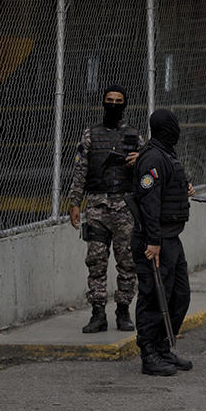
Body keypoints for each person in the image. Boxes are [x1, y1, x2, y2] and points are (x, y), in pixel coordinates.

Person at [68, 85, 143, 333]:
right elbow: (80, 171)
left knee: (127, 262)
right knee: (96, 262)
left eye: (118, 100)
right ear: (103, 102)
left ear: (124, 104)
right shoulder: (90, 135)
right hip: (97, 208)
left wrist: (138, 161)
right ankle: (98, 313)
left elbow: (148, 171)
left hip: (124, 208)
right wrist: (75, 203)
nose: (113, 104)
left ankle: (123, 311)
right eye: (109, 100)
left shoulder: (134, 136)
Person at [130, 108, 195, 376]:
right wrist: (153, 241)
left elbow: (169, 186)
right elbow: (149, 203)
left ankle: (163, 348)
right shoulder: (152, 157)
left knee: (179, 295)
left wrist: (185, 187)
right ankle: (149, 354)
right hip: (154, 240)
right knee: (154, 298)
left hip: (171, 238)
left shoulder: (166, 154)